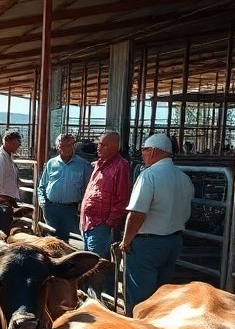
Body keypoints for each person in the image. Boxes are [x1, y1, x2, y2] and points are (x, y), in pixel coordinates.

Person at [113, 133, 194, 314]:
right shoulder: (183, 177)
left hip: (147, 243)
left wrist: (126, 241)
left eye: (144, 150)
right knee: (162, 294)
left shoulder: (148, 176)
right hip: (173, 241)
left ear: (154, 151)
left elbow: (137, 213)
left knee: (140, 298)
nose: (142, 154)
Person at [79, 131, 131, 264]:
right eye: (99, 144)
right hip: (88, 222)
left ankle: (101, 285)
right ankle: (91, 285)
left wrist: (109, 222)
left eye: (103, 145)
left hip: (100, 223)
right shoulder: (99, 164)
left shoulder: (121, 166)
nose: (98, 147)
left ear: (115, 147)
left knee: (97, 263)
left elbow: (122, 198)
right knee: (88, 260)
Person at [37, 132, 91, 242]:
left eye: (69, 145)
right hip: (51, 208)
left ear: (73, 146)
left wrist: (82, 208)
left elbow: (88, 189)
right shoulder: (51, 163)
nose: (66, 148)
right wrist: (43, 204)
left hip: (71, 210)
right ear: (57, 147)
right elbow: (42, 186)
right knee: (51, 241)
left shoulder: (83, 165)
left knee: (70, 242)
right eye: (62, 146)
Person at [0, 130, 23, 200]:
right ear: (7, 141)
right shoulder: (0, 158)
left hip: (7, 198)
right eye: (17, 141)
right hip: (3, 199)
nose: (19, 144)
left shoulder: (7, 157)